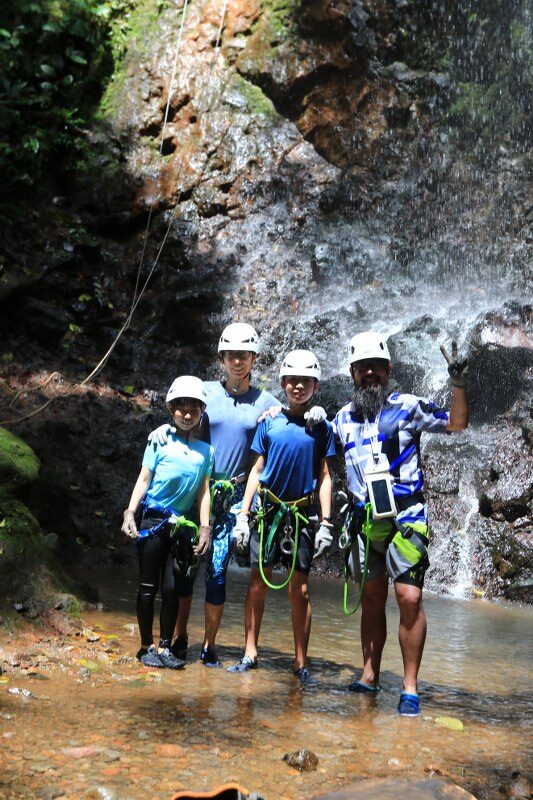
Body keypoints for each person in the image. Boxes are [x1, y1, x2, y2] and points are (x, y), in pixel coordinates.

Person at [333, 331, 469, 715]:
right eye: (363, 368)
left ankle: (409, 686)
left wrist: (458, 383)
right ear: (353, 373)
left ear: (389, 370)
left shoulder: (407, 407)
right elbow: (311, 444)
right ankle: (369, 675)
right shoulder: (341, 419)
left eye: (376, 367)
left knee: (409, 598)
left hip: (406, 517)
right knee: (372, 599)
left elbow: (456, 423)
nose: (370, 374)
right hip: (364, 521)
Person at [148, 323, 279, 667]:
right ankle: (178, 638)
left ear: (254, 358)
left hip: (234, 496)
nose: (238, 361)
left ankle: (209, 645)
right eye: (231, 355)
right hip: (198, 490)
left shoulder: (267, 402)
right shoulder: (203, 391)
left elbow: (286, 428)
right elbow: (179, 415)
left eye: (244, 355)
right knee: (185, 569)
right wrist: (163, 428)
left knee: (217, 572)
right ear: (221, 358)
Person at [227, 349, 336, 683]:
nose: (298, 387)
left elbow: (326, 476)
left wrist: (326, 522)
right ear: (283, 384)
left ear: (315, 386)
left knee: (299, 591)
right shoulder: (270, 421)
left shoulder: (322, 428)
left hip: (301, 516)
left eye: (305, 382)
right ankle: (249, 652)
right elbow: (257, 469)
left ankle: (301, 662)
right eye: (292, 381)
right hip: (268, 512)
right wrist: (243, 515)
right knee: (258, 583)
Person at [121, 376, 214, 669]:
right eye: (181, 408)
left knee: (173, 588)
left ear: (201, 412)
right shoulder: (158, 439)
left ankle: (166, 648)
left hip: (181, 527)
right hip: (153, 521)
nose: (187, 415)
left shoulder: (206, 452)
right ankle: (145, 645)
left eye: (194, 409)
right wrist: (129, 512)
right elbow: (144, 478)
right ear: (171, 408)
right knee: (148, 586)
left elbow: (204, 492)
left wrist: (204, 527)